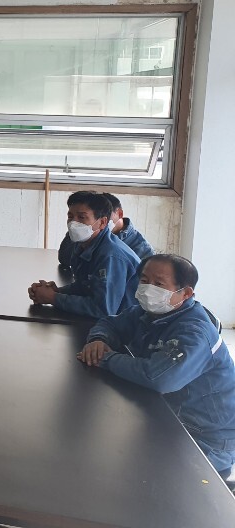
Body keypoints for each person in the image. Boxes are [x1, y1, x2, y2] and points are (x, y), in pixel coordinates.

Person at [78, 254, 235, 478]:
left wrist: (107, 358)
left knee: (128, 474)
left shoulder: (195, 332)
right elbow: (110, 323)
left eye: (159, 284)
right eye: (144, 280)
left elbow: (160, 378)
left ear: (186, 293)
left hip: (203, 438)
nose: (147, 289)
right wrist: (98, 340)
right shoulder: (150, 312)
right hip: (166, 416)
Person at [30, 191, 139, 319]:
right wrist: (57, 291)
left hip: (128, 324)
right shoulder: (83, 244)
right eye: (70, 216)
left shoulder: (111, 256)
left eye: (82, 217)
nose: (73, 223)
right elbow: (86, 286)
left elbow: (103, 309)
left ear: (102, 222)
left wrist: (53, 298)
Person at [58, 192, 154, 268]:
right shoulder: (86, 231)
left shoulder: (141, 247)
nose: (104, 219)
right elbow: (65, 259)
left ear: (119, 214)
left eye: (107, 215)